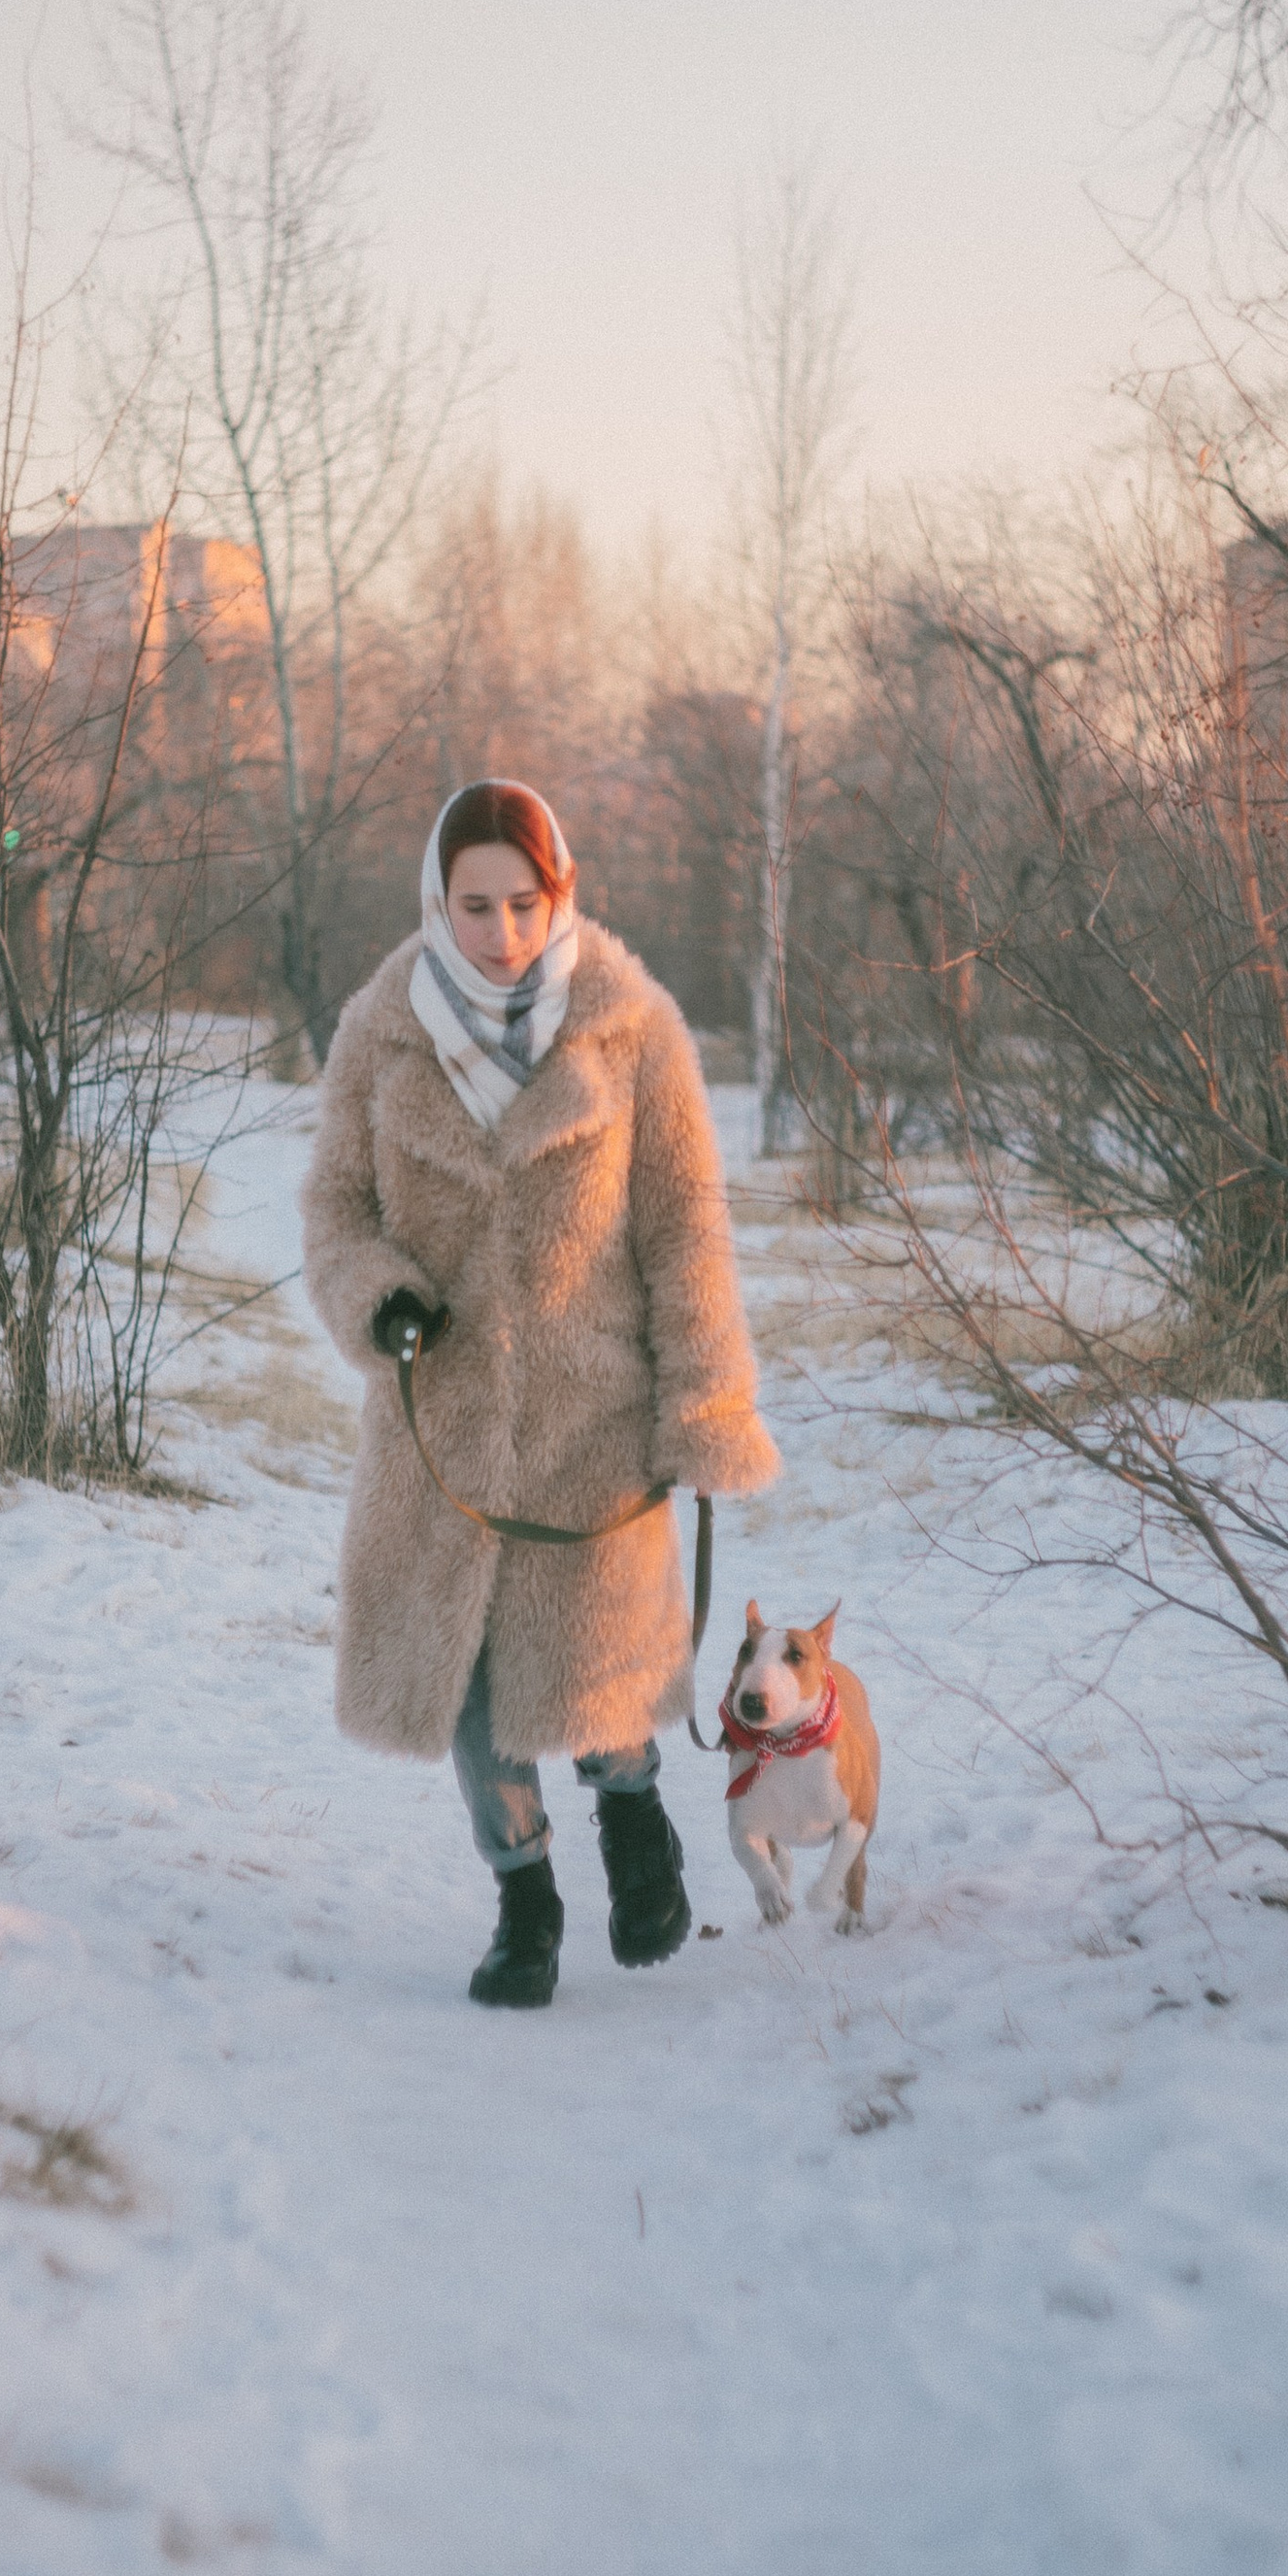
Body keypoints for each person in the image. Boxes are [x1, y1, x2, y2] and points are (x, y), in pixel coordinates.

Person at [301, 778, 779, 2006]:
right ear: (436, 901)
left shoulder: (632, 1029)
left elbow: (685, 1231)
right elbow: (336, 1210)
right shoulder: (380, 1032)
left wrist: (704, 1405)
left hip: (593, 1414)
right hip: (441, 1420)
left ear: (558, 891)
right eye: (475, 906)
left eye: (523, 902)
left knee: (595, 1662)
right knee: (466, 1678)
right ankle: (523, 1898)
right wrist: (380, 1298)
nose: (501, 933)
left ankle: (632, 1817)